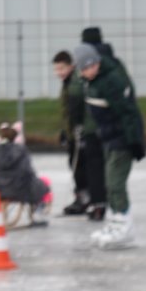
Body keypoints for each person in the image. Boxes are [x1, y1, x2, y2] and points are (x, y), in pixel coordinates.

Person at [74, 40, 144, 250]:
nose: (89, 70)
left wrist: (134, 141)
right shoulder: (91, 82)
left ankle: (124, 225)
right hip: (109, 138)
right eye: (85, 67)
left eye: (92, 65)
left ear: (97, 62)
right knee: (109, 182)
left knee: (115, 182)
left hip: (122, 139)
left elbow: (128, 111)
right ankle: (115, 222)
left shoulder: (110, 80)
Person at [54, 50, 101, 217]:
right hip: (72, 131)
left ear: (71, 66)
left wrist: (77, 130)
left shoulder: (74, 82)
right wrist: (64, 131)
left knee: (80, 165)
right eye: (56, 69)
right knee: (75, 164)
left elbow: (76, 109)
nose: (58, 73)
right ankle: (81, 195)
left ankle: (85, 197)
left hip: (79, 132)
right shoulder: (67, 82)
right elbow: (67, 111)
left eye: (62, 68)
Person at [0, 124, 51, 227]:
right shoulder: (21, 150)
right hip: (19, 189)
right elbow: (28, 171)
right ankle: (37, 213)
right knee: (43, 184)